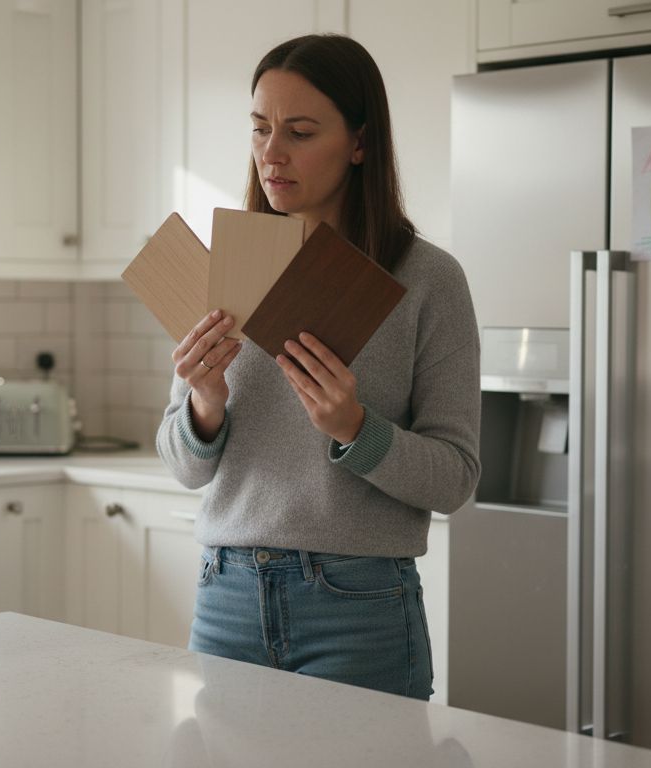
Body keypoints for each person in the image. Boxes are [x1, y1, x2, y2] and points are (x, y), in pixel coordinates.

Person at [155, 33, 481, 701]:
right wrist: (204, 406)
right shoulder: (230, 264)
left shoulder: (427, 279)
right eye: (260, 128)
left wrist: (356, 429)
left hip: (357, 607)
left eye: (299, 132)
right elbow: (183, 467)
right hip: (226, 596)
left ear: (359, 143)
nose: (271, 153)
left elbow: (455, 479)